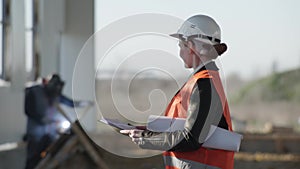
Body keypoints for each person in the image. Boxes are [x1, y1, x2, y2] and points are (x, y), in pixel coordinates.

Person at [121, 15, 235, 169]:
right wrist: (151, 131)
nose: (180, 52)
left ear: (193, 47)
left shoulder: (204, 84)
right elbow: (184, 125)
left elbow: (191, 138)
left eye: (182, 45)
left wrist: (146, 138)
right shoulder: (202, 80)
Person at [24, 74, 92, 169]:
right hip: (36, 131)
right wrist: (40, 119)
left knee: (51, 153)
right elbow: (28, 109)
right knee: (34, 156)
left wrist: (84, 103)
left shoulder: (56, 94)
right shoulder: (35, 92)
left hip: (51, 131)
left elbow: (70, 103)